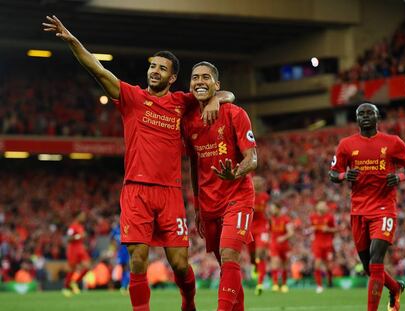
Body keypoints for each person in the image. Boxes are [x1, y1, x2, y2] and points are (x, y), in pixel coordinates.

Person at [43, 15, 234, 311]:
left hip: (170, 192)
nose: (154, 71)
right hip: (136, 191)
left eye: (162, 68)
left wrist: (213, 101)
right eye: (152, 66)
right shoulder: (131, 97)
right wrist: (72, 41)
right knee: (138, 257)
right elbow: (97, 69)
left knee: (180, 264)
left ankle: (189, 301)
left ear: (172, 78)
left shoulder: (181, 103)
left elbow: (226, 93)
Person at [182, 61, 257, 311]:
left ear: (217, 84)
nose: (200, 81)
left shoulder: (235, 114)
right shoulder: (188, 120)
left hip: (238, 197)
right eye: (195, 77)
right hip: (209, 204)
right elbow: (194, 166)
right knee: (227, 268)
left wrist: (235, 172)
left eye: (206, 77)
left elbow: (252, 159)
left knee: (229, 256)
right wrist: (197, 206)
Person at [329, 102, 405, 311]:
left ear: (378, 118)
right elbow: (333, 173)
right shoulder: (346, 145)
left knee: (376, 261)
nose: (365, 117)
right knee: (369, 267)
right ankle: (395, 288)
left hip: (384, 208)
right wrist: (343, 175)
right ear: (357, 119)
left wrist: (400, 176)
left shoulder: (393, 142)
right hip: (358, 210)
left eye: (370, 113)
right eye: (361, 114)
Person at [249, 176, 270, 296]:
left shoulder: (265, 197)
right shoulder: (248, 194)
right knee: (253, 256)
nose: (258, 183)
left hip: (262, 228)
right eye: (255, 181)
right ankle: (254, 266)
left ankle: (260, 284)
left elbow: (266, 211)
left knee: (260, 254)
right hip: (250, 228)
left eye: (260, 182)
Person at [309, 201, 336, 294]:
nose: (325, 207)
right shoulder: (312, 217)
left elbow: (335, 229)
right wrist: (311, 229)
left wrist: (328, 229)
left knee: (328, 266)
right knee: (317, 264)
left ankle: (329, 282)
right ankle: (319, 286)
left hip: (328, 244)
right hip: (317, 244)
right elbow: (308, 229)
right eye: (324, 205)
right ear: (318, 207)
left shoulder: (330, 217)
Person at [62, 211, 91, 297]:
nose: (84, 217)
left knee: (88, 267)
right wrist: (79, 236)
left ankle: (74, 282)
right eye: (82, 215)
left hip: (80, 248)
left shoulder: (80, 226)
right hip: (73, 249)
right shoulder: (72, 226)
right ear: (77, 216)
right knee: (72, 269)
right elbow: (68, 238)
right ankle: (66, 287)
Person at [269, 201, 294, 293]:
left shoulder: (286, 219)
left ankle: (284, 285)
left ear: (278, 209)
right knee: (275, 263)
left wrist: (283, 237)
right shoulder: (271, 219)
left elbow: (291, 232)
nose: (272, 210)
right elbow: (269, 231)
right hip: (274, 245)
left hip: (284, 245)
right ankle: (275, 284)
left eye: (273, 208)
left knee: (284, 265)